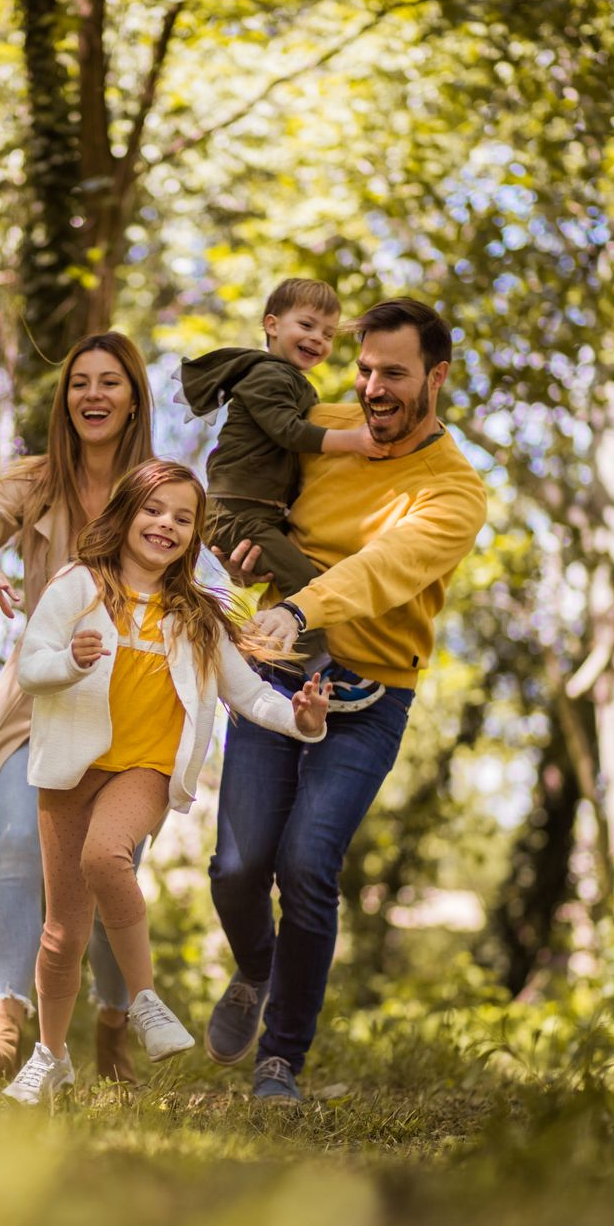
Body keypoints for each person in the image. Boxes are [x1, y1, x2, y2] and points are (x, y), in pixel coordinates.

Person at [204, 298, 488, 1104]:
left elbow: (383, 568)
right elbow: (239, 481)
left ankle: (279, 1060)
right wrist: (239, 539)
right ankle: (256, 969)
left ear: (435, 377)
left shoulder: (454, 491)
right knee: (235, 866)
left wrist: (299, 607)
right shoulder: (323, 425)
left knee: (305, 863)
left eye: (393, 374)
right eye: (363, 370)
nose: (371, 389)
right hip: (276, 671)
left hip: (369, 694)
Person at [0, 459, 331, 1106]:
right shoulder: (78, 587)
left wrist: (300, 720)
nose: (166, 526)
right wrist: (69, 662)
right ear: (126, 513)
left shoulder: (198, 616)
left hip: (144, 770)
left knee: (105, 856)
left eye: (183, 519)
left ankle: (145, 1000)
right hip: (70, 767)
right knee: (62, 931)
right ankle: (50, 1056)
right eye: (155, 510)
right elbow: (32, 667)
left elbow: (249, 694)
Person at [0, 331, 157, 1084]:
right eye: (79, 384)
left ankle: (113, 1025)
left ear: (132, 400)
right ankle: (4, 1031)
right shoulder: (33, 481)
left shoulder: (160, 491)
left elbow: (210, 570)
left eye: (109, 383)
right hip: (40, 695)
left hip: (133, 706)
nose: (92, 395)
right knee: (22, 843)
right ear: (66, 400)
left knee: (107, 865)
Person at [178, 278, 386, 708]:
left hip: (253, 512)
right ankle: (318, 671)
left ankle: (272, 660)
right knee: (305, 583)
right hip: (237, 512)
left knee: (300, 576)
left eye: (328, 334)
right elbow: (288, 432)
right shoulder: (268, 374)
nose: (318, 339)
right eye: (307, 325)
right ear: (271, 325)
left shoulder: (287, 378)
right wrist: (355, 440)